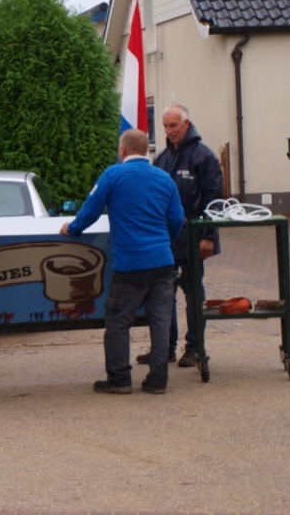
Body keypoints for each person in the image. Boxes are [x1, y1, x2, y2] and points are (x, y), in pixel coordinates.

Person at [60, 129, 184, 394]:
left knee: (118, 321)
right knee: (161, 322)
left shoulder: (113, 175)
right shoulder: (165, 179)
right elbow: (176, 219)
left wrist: (72, 229)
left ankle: (119, 379)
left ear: (123, 150)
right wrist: (164, 243)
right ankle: (158, 380)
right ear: (147, 151)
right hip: (163, 262)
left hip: (130, 264)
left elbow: (91, 210)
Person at [137, 104, 223, 368]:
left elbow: (214, 200)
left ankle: (195, 347)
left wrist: (208, 236)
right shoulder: (162, 159)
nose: (168, 130)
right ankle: (164, 348)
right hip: (166, 240)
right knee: (163, 294)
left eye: (173, 125)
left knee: (193, 293)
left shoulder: (203, 157)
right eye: (164, 126)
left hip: (195, 237)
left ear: (186, 124)